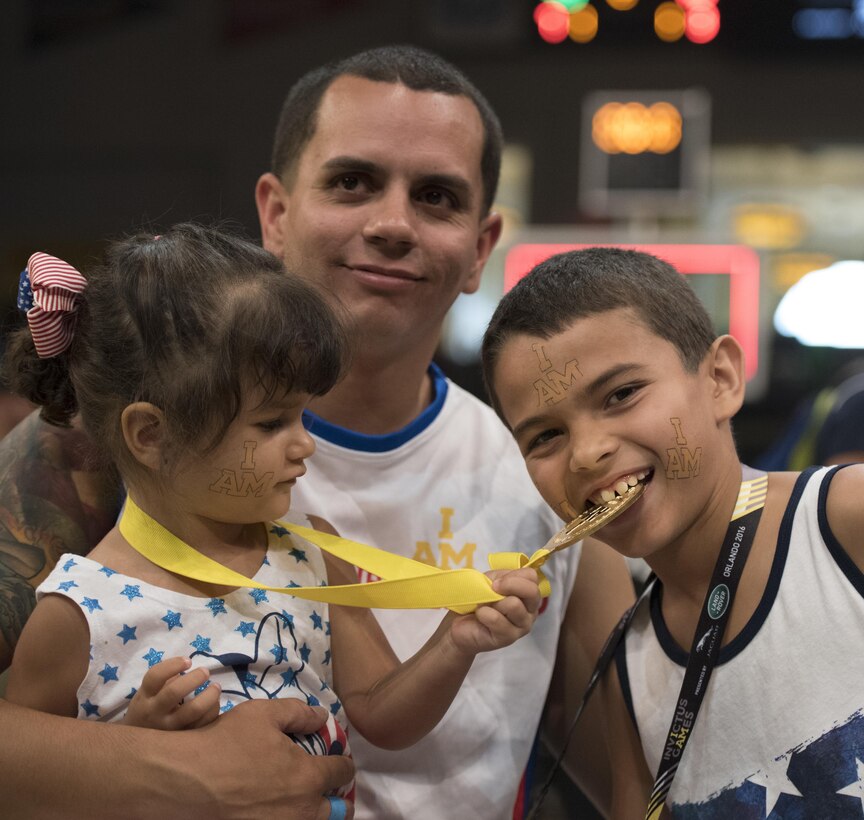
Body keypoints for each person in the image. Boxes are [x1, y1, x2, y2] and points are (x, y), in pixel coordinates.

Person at [0, 46, 634, 819]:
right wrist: (159, 765)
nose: (393, 223)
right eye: (352, 182)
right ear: (275, 212)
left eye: (436, 196)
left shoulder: (549, 472)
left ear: (480, 247)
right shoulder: (84, 444)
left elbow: (626, 772)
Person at [4, 225, 541, 811]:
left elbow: (384, 716)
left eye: (301, 417)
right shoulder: (77, 612)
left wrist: (455, 640)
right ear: (151, 434)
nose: (303, 445)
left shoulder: (311, 555)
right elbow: (33, 793)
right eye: (271, 424)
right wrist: (141, 742)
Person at [481, 246, 864, 817]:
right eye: (544, 437)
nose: (587, 453)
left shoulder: (845, 519)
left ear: (720, 379)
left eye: (621, 395)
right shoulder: (626, 674)